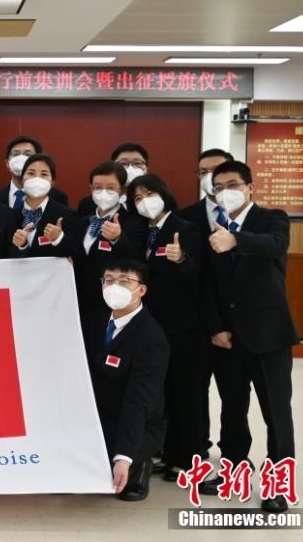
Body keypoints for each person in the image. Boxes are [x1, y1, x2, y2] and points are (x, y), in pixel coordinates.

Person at [198, 160, 298, 513]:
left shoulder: (272, 218)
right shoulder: (213, 228)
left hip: (268, 335)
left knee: (276, 411)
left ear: (250, 187)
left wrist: (236, 239)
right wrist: (215, 327)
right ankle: (233, 469)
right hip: (228, 338)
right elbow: (209, 285)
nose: (226, 192)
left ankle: (278, 484)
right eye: (219, 187)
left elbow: (275, 245)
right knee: (232, 409)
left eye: (233, 184)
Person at [127, 174, 208, 483]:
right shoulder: (139, 231)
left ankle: (188, 458)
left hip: (183, 327)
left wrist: (182, 258)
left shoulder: (185, 229)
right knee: (160, 392)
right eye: (137, 198)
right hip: (151, 325)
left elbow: (198, 275)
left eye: (149, 194)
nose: (144, 201)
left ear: (163, 193)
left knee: (185, 393)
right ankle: (168, 452)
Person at [82, 260, 169, 502]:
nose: (114, 287)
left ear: (141, 290)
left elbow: (138, 402)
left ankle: (140, 465)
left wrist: (124, 457)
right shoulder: (94, 320)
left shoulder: (151, 339)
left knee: (114, 466)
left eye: (124, 281)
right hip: (97, 415)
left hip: (134, 421)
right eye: (108, 280)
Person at [178, 148, 236, 459]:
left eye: (216, 170)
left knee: (234, 395)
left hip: (234, 323)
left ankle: (234, 455)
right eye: (203, 172)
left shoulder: (251, 218)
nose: (210, 177)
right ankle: (196, 450)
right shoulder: (186, 216)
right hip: (194, 320)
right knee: (193, 392)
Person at [73, 162, 147, 315]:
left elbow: (138, 260)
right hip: (80, 300)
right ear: (91, 188)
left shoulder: (134, 222)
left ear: (122, 190)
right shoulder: (83, 222)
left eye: (111, 188)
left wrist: (118, 238)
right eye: (98, 187)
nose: (103, 192)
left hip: (113, 302)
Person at [9, 153, 79, 258]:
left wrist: (58, 239)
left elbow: (76, 255)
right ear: (22, 179)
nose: (37, 179)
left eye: (44, 174)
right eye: (31, 173)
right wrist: (22, 246)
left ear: (52, 182)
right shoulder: (11, 216)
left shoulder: (66, 215)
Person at [0, 135, 69, 208]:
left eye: (28, 154)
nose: (21, 158)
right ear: (7, 163)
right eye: (16, 154)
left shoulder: (58, 197)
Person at [77, 143, 150, 215]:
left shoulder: (152, 201)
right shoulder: (88, 204)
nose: (130, 168)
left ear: (146, 169)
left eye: (137, 163)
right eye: (123, 163)